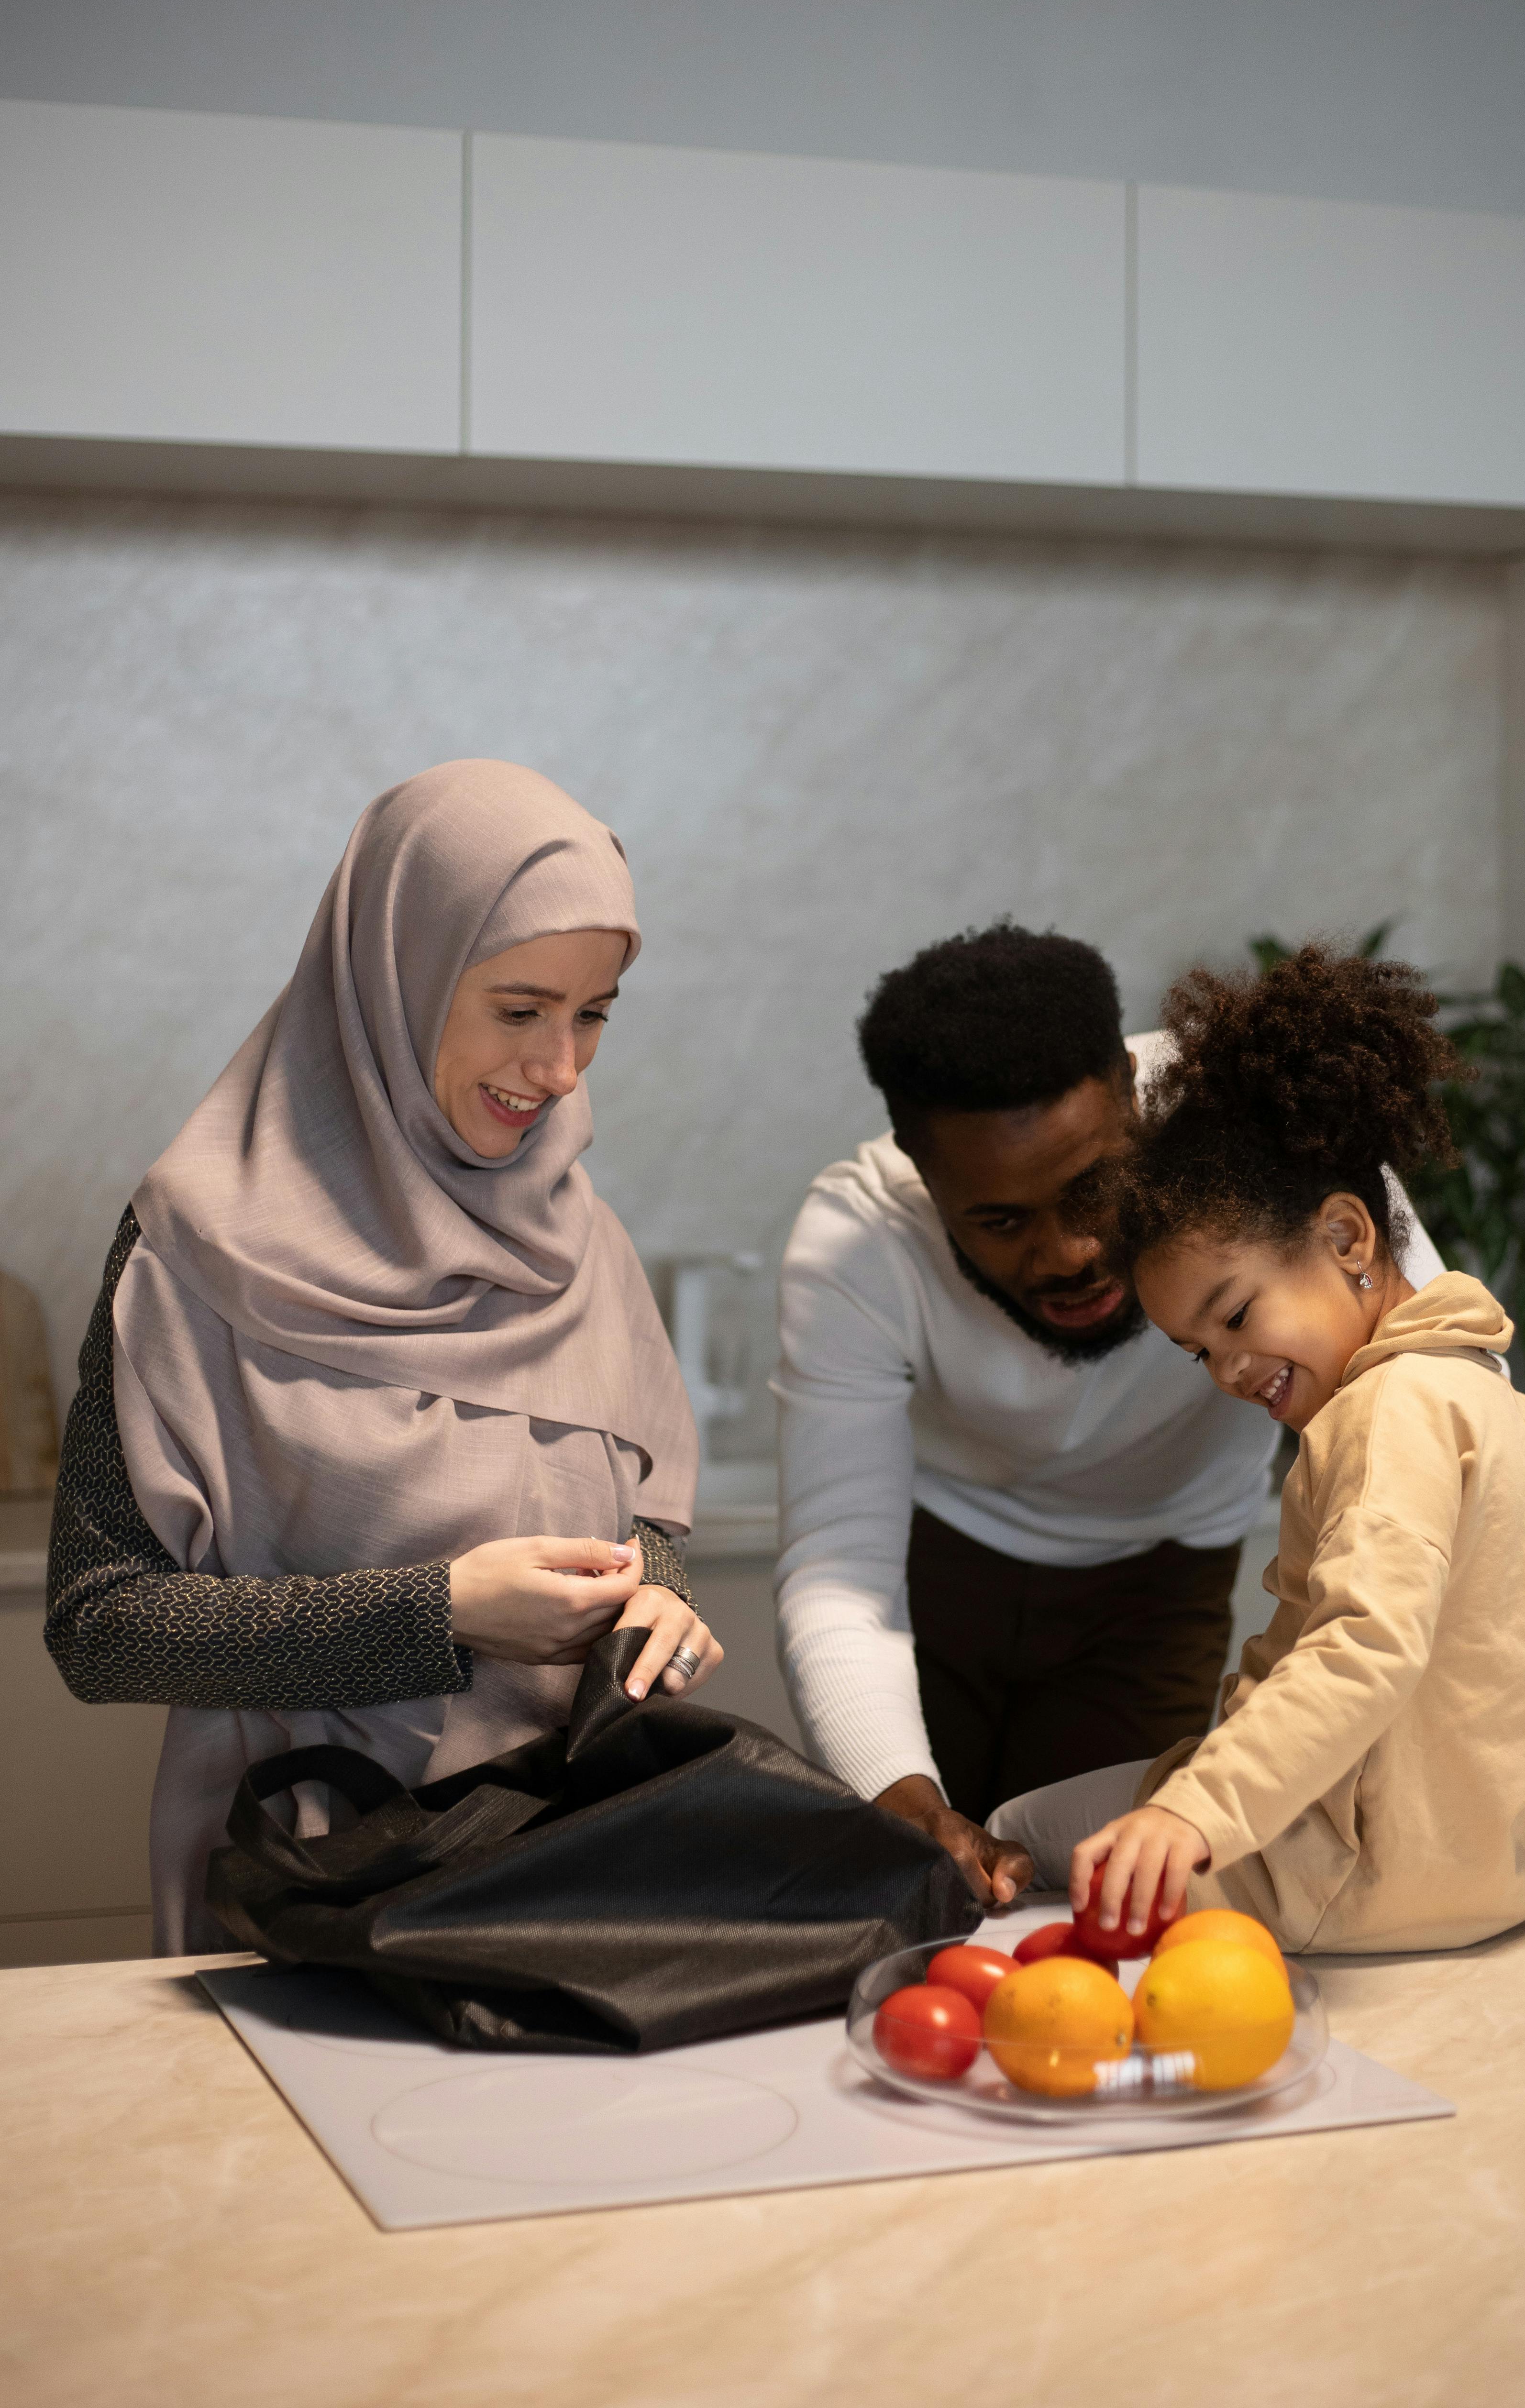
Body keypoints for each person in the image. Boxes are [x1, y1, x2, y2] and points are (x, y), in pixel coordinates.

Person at [46, 759, 720, 1955]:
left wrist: (654, 1595)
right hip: (307, 1885)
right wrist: (440, 1613)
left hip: (571, 1870)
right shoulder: (193, 1249)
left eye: (594, 1014)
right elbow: (102, 1628)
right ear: (391, 980)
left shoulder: (584, 1240)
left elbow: (640, 1519)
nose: (560, 1070)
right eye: (521, 1011)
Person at [772, 921, 1452, 1908]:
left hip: (1159, 1583)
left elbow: (1453, 1410)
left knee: (1106, 1905)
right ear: (922, 1171)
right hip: (937, 1583)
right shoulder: (856, 1242)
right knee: (921, 1894)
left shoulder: (1257, 1133)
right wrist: (902, 1799)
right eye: (1001, 1221)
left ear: (1132, 1093)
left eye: (1093, 1187)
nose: (1070, 1251)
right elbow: (840, 1570)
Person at [1001, 946, 1525, 1951]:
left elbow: (1362, 1645)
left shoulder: (1385, 1411)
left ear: (1350, 1238)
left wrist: (1195, 1813)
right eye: (1197, 1352)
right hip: (1498, 1881)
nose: (1225, 1371)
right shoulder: (1503, 1405)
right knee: (1145, 1789)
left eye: (1236, 1314)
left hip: (1343, 1891)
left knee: (1020, 1827)